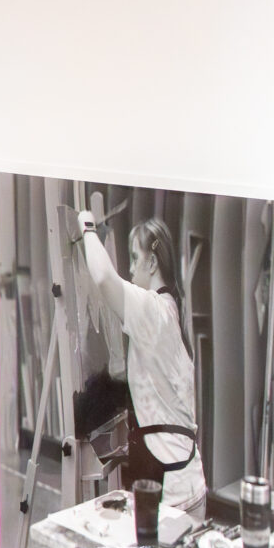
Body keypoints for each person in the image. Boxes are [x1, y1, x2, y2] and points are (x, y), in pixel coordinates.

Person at [77, 211, 206, 529]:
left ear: (153, 262)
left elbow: (105, 277)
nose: (131, 269)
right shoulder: (170, 309)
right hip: (185, 481)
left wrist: (87, 226)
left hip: (174, 495)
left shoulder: (153, 309)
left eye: (135, 258)